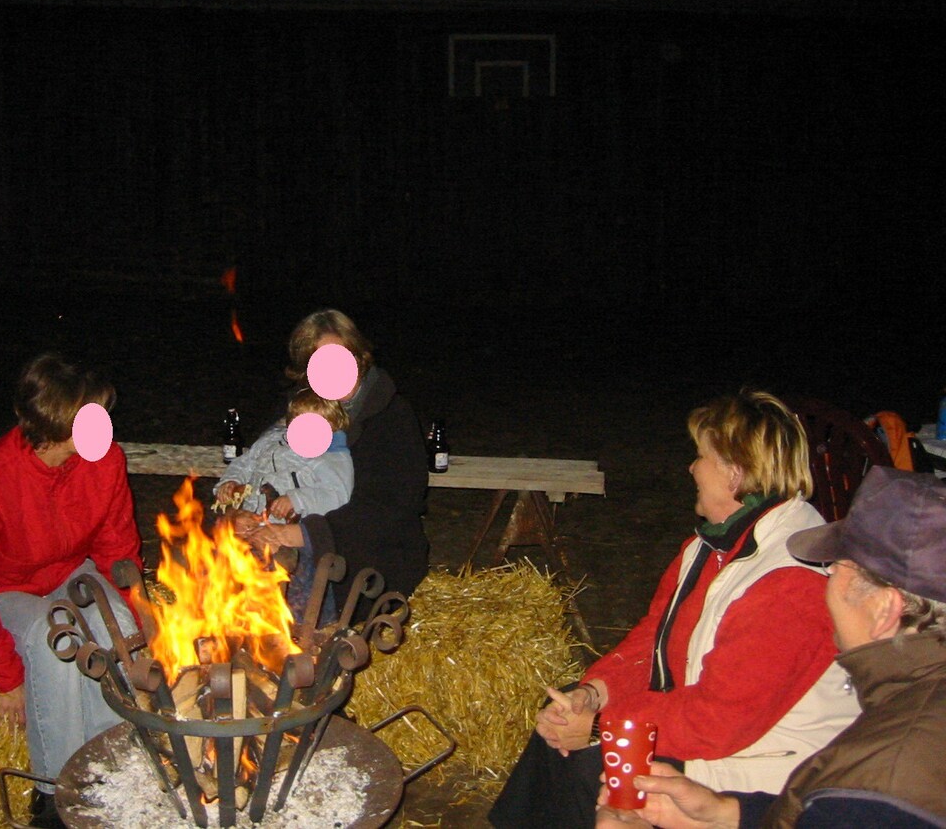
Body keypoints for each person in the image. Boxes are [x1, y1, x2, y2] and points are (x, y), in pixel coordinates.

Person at [490, 390, 860, 829]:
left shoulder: (790, 579)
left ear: (735, 474)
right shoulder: (713, 544)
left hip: (769, 763)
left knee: (589, 766)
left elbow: (719, 722)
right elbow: (655, 637)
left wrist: (600, 727)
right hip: (712, 722)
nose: (691, 468)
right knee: (560, 718)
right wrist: (592, 694)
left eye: (700, 456)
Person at [594, 466, 946, 829]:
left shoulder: (877, 784)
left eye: (838, 566)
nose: (825, 577)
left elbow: (841, 812)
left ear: (883, 609)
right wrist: (727, 815)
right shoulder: (908, 710)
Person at [0, 353, 142, 828]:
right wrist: (4, 675)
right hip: (1, 588)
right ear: (57, 422)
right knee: (56, 645)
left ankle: (114, 768)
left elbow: (116, 544)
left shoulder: (105, 459)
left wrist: (136, 605)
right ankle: (54, 792)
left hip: (68, 570)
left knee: (120, 631)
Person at [256, 309, 429, 611]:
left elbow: (391, 506)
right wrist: (245, 510)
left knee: (303, 591)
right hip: (291, 533)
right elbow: (263, 463)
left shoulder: (391, 415)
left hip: (368, 556)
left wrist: (308, 534)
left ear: (358, 357)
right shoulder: (297, 410)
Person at [213, 387, 354, 618]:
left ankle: (299, 628)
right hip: (253, 519)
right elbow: (245, 463)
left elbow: (337, 494)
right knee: (224, 559)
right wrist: (231, 482)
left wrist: (297, 499)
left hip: (289, 532)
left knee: (288, 578)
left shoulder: (331, 457)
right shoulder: (270, 442)